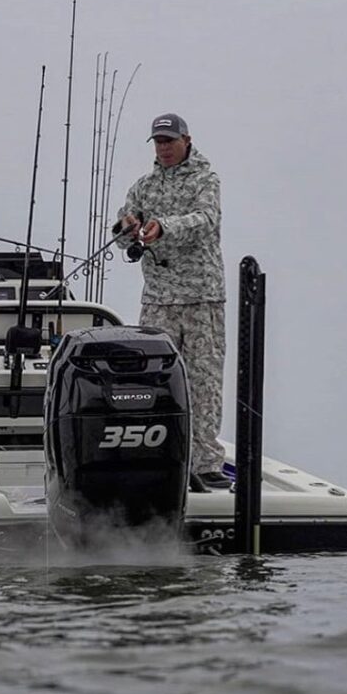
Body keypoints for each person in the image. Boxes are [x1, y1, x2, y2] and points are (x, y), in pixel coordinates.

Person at [117, 113, 229, 490]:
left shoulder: (206, 179)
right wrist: (128, 227)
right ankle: (158, 457)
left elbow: (206, 220)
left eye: (170, 141)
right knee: (153, 382)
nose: (164, 148)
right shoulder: (143, 186)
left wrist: (164, 227)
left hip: (202, 298)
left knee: (203, 382)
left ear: (186, 140)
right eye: (159, 142)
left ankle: (206, 463)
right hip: (158, 300)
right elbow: (121, 234)